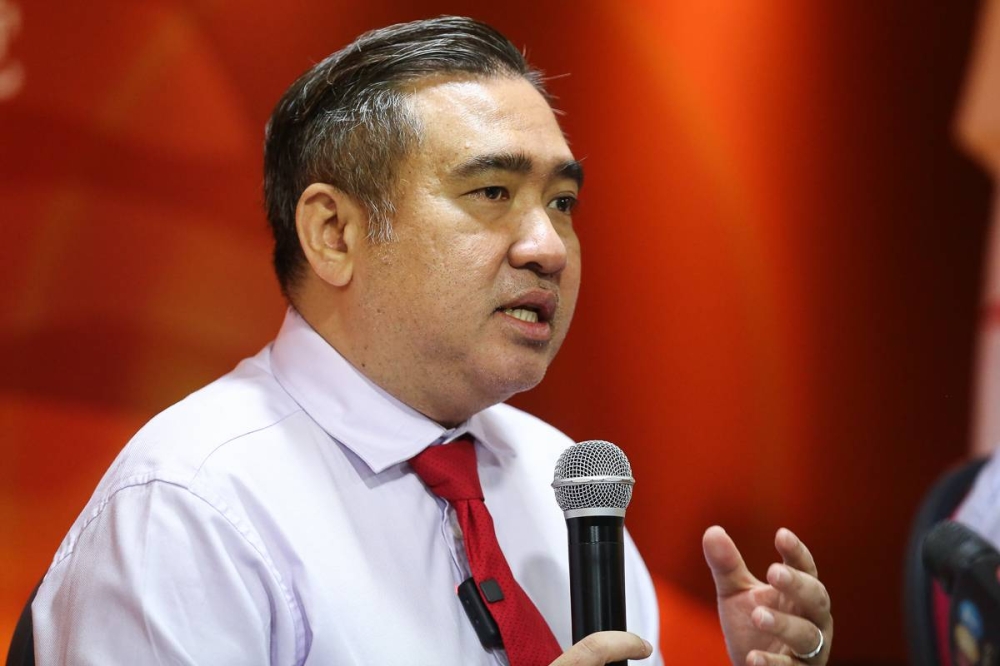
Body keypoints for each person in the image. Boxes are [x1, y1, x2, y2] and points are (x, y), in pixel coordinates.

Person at [31, 16, 833, 665]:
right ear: (334, 232)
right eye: (492, 191)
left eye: (561, 203)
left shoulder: (565, 481)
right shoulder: (193, 506)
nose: (548, 247)